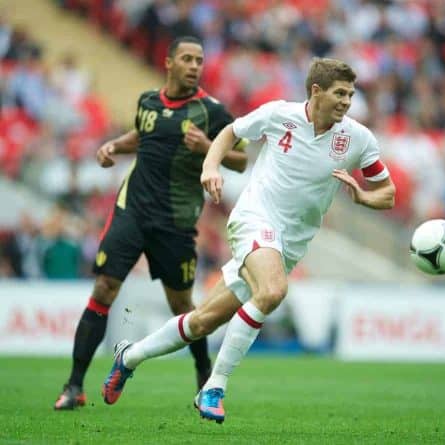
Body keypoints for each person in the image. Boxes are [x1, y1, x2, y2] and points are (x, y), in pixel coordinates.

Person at [101, 58, 396, 423]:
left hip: (290, 243)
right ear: (316, 91)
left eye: (350, 94)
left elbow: (387, 192)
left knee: (202, 322)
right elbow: (230, 133)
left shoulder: (357, 138)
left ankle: (128, 357)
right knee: (272, 291)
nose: (346, 101)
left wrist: (363, 197)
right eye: (340, 93)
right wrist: (210, 167)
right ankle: (215, 386)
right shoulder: (279, 114)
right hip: (254, 217)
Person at [54, 36, 248, 410]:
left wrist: (209, 148)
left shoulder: (211, 111)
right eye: (187, 59)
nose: (195, 66)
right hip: (132, 210)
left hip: (175, 222)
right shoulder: (147, 101)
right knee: (104, 288)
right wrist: (114, 145)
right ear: (169, 62)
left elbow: (240, 159)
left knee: (184, 307)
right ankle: (74, 386)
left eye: (200, 60)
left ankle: (203, 375)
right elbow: (143, 136)